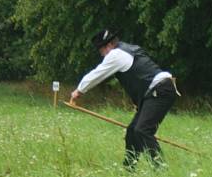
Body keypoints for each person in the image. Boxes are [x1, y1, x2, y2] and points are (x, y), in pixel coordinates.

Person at [70, 29, 178, 169]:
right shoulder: (128, 49)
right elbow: (140, 77)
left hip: (160, 90)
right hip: (157, 90)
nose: (101, 54)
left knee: (143, 130)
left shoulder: (116, 54)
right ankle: (129, 169)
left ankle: (161, 168)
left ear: (108, 46)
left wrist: (79, 91)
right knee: (132, 131)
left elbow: (97, 74)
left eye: (101, 50)